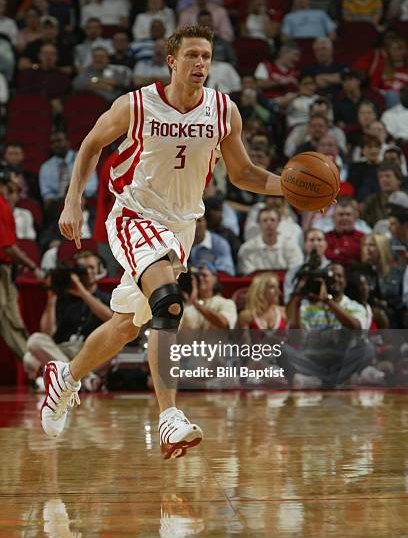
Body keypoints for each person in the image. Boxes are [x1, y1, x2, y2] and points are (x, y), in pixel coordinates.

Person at [40, 25, 285, 460]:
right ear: (172, 61)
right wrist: (73, 202)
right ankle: (169, 417)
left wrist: (290, 187)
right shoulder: (136, 105)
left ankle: (66, 377)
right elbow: (90, 145)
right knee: (169, 302)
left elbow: (244, 174)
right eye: (192, 55)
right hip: (134, 214)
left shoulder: (224, 111)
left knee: (126, 325)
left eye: (207, 57)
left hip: (182, 226)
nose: (201, 64)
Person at [286, 263, 383, 386]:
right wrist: (297, 302)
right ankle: (335, 381)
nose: (335, 279)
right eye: (331, 276)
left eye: (339, 276)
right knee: (283, 350)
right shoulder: (307, 307)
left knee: (367, 348)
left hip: (341, 360)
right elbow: (296, 339)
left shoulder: (354, 306)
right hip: (314, 360)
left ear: (345, 282)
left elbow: (356, 327)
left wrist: (327, 301)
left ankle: (321, 382)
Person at [23, 251, 112, 384]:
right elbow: (47, 333)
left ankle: (63, 378)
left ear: (99, 270)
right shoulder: (64, 298)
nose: (87, 272)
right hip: (63, 350)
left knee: (116, 346)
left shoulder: (106, 298)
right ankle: (80, 379)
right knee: (33, 346)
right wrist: (52, 297)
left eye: (91, 267)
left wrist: (82, 292)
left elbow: (111, 319)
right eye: (82, 268)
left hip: (90, 352)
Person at [0, 165, 43, 362]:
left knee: (11, 318)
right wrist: (33, 266)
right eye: (14, 185)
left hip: (7, 270)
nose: (17, 191)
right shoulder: (1, 206)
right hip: (3, 268)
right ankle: (33, 361)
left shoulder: (5, 207)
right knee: (7, 318)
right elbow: (8, 247)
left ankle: (32, 360)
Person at [238, 207, 303, 275]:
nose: (269, 223)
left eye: (272, 220)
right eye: (265, 220)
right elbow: (248, 275)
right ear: (258, 223)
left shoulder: (291, 246)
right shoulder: (247, 248)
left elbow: (295, 274)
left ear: (279, 222)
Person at [180, 261, 237, 330]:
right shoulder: (186, 304)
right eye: (198, 276)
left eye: (204, 275)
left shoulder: (226, 303)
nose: (200, 278)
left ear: (215, 279)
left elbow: (224, 324)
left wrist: (197, 305)